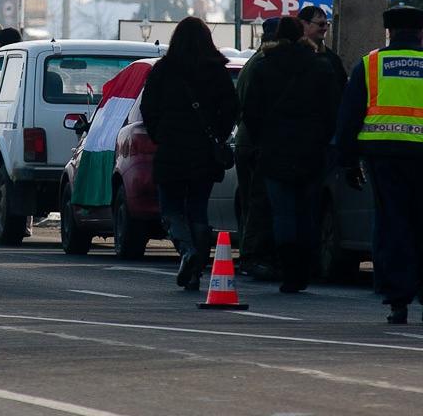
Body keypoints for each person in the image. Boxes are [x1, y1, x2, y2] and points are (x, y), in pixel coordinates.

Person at [334, 5, 423, 324]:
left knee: (392, 225)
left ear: (389, 32)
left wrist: (346, 161)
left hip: (385, 159)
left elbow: (348, 117)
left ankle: (397, 300)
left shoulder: (371, 65)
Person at [139, 17, 238, 291]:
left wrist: (159, 133)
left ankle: (187, 251)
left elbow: (149, 107)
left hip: (171, 149)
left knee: (170, 208)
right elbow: (231, 108)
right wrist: (218, 134)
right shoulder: (217, 71)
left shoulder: (164, 69)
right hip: (204, 152)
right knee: (198, 208)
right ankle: (197, 268)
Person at [242, 17, 340, 293]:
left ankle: (288, 270)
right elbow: (333, 110)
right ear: (302, 36)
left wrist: (264, 139)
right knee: (307, 211)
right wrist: (323, 141)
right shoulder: (321, 66)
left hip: (275, 150)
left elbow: (251, 112)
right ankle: (304, 268)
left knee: (282, 212)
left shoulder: (264, 66)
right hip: (311, 151)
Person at [234, 16, 281, 280]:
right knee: (257, 202)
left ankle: (251, 253)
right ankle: (252, 255)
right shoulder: (261, 65)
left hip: (248, 140)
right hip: (253, 142)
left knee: (254, 201)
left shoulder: (256, 62)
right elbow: (250, 108)